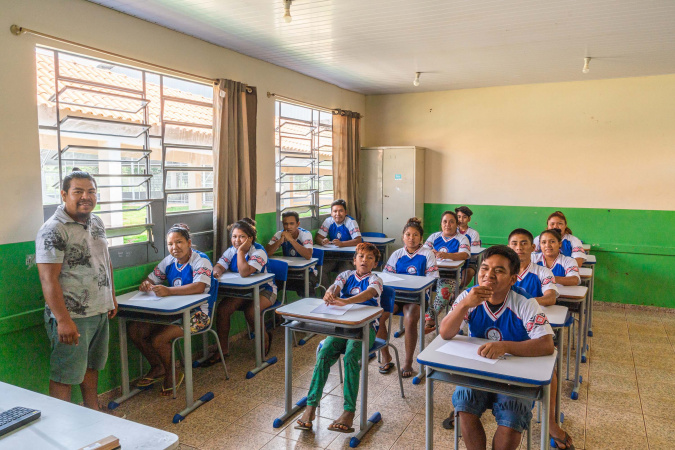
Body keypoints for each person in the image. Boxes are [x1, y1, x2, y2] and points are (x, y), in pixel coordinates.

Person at [439, 245, 559, 450]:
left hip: (515, 377)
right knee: (464, 405)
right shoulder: (469, 297)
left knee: (512, 415)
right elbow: (445, 333)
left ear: (513, 279)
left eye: (499, 270)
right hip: (479, 372)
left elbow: (546, 344)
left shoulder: (525, 302)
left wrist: (505, 346)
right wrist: (464, 305)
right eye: (484, 268)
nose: (489, 275)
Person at [36, 168, 120, 415]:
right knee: (65, 374)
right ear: (64, 195)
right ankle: (62, 425)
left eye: (91, 191)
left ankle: (92, 411)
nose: (86, 196)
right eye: (78, 191)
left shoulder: (96, 221)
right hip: (72, 317)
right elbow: (47, 278)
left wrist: (111, 296)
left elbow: (106, 260)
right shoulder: (53, 229)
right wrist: (62, 320)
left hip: (99, 309)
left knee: (91, 367)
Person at [295, 243, 383, 434]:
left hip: (365, 328)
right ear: (354, 260)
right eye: (360, 256)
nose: (364, 261)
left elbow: (369, 293)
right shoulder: (346, 275)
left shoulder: (375, 279)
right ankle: (310, 407)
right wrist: (330, 292)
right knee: (325, 353)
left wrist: (347, 301)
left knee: (351, 356)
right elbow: (336, 285)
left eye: (369, 258)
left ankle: (348, 412)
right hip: (343, 326)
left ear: (375, 263)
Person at [128, 224, 217, 395]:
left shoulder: (200, 260)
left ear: (189, 243)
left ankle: (173, 372)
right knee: (134, 329)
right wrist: (147, 284)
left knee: (158, 339)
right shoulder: (169, 261)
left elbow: (199, 287)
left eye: (179, 242)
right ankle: (158, 366)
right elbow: (151, 278)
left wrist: (169, 291)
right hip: (172, 313)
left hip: (198, 315)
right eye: (170, 244)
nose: (174, 247)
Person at [208, 218, 277, 365]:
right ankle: (223, 350)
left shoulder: (259, 251)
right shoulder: (230, 250)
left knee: (251, 311)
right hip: (245, 292)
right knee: (223, 309)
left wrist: (240, 252)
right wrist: (217, 271)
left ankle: (264, 338)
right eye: (234, 236)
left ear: (250, 238)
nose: (237, 240)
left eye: (241, 237)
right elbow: (219, 265)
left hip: (266, 290)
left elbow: (245, 272)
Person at [379, 217, 438, 378]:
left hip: (417, 297)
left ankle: (408, 361)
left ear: (421, 238)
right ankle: (386, 356)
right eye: (408, 234)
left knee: (410, 319)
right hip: (397, 295)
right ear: (403, 236)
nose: (411, 238)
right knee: (376, 317)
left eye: (415, 235)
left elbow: (432, 278)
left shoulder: (427, 254)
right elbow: (386, 277)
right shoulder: (397, 254)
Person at [423, 210, 470, 333]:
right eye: (445, 222)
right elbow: (423, 252)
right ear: (441, 223)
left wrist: (447, 255)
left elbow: (464, 254)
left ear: (456, 224)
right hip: (430, 273)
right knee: (420, 289)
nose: (447, 225)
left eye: (451, 222)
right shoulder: (434, 237)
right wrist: (430, 253)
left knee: (444, 291)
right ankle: (425, 316)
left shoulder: (462, 238)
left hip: (450, 275)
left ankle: (430, 320)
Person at [265, 210, 316, 296]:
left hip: (306, 272)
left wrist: (291, 240)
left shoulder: (305, 234)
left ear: (298, 224)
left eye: (292, 224)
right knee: (269, 283)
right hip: (288, 271)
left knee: (306, 285)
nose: (288, 227)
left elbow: (308, 255)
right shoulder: (279, 234)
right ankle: (275, 307)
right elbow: (266, 253)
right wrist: (280, 241)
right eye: (285, 224)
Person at [315, 199, 363, 287]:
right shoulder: (328, 221)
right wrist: (322, 241)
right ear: (331, 213)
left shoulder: (350, 222)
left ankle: (338, 296)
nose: (338, 214)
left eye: (341, 211)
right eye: (335, 211)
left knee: (343, 274)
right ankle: (327, 293)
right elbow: (318, 237)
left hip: (348, 259)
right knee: (319, 270)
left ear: (345, 212)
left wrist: (342, 244)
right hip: (332, 257)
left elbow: (358, 240)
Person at [507, 228, 559, 306]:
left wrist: (524, 302)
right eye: (514, 244)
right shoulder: (501, 272)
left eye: (524, 243)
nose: (519, 248)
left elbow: (551, 298)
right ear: (508, 248)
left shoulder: (543, 272)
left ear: (533, 247)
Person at [456, 206, 481, 285]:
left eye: (464, 217)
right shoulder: (452, 231)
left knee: (468, 273)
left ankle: (459, 290)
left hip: (469, 261)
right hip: (453, 260)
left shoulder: (473, 233)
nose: (461, 220)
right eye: (459, 217)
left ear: (469, 219)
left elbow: (474, 252)